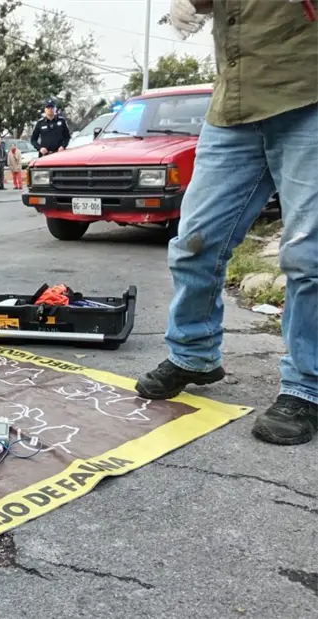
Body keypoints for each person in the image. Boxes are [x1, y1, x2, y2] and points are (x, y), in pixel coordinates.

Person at [135, 0, 318, 446]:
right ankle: (194, 354)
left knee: (308, 256)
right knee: (194, 243)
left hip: (307, 95)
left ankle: (306, 386)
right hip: (232, 105)